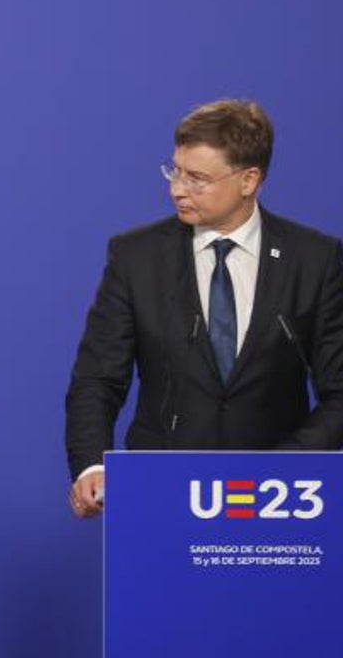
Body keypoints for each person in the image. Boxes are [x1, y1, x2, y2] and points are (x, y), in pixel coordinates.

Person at [65, 100, 343, 518]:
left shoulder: (315, 260)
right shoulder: (135, 257)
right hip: (162, 494)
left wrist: (283, 467)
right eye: (175, 171)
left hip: (274, 502)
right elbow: (97, 379)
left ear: (249, 180)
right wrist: (91, 464)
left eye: (196, 178)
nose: (177, 189)